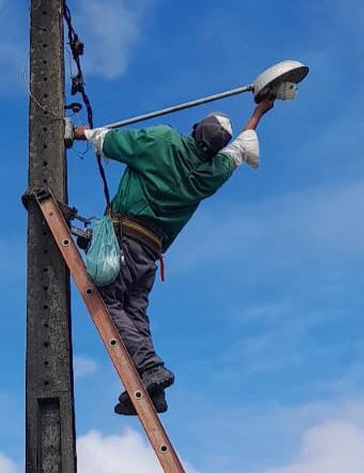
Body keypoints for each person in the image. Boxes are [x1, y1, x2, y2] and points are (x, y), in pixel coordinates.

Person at [73, 98, 275, 415]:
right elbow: (239, 150)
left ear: (194, 129)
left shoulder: (163, 140)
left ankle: (150, 368)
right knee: (135, 313)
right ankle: (154, 391)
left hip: (125, 240)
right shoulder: (211, 173)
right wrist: (257, 114)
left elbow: (114, 142)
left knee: (106, 302)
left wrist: (81, 133)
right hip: (150, 253)